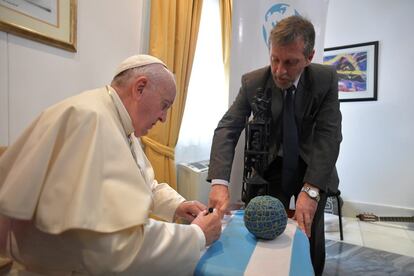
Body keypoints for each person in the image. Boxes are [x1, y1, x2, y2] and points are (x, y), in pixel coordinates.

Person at [0, 55, 222, 275]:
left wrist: (177, 205)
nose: (164, 118)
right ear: (140, 88)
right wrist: (196, 236)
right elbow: (115, 247)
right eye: (164, 105)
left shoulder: (118, 122)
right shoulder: (91, 121)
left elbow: (143, 184)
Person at [207, 15, 342, 275]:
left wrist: (312, 190)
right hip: (272, 167)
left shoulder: (325, 80)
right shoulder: (253, 81)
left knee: (309, 234)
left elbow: (329, 134)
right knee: (264, 229)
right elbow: (228, 127)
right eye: (275, 59)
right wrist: (219, 182)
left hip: (312, 167)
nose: (280, 70)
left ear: (309, 57)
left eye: (291, 62)